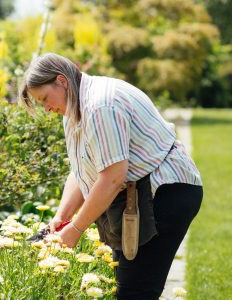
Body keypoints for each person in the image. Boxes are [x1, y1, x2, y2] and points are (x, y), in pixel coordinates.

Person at [19, 53, 203, 300]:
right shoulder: (74, 108)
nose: (47, 108)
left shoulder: (100, 105)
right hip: (140, 192)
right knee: (126, 287)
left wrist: (75, 229)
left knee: (135, 292)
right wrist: (61, 218)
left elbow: (112, 177)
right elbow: (82, 169)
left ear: (62, 81)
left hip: (167, 190)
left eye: (44, 99)